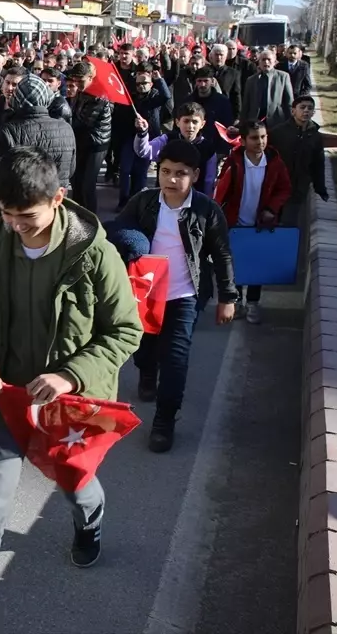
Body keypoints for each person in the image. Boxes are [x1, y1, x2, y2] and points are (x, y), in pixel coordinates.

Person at [0, 147, 142, 632]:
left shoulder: (94, 252)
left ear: (58, 199)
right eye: (6, 213)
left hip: (65, 406)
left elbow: (126, 330)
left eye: (27, 216)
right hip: (8, 397)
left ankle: (91, 516)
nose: (16, 225)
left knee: (74, 485)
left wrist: (70, 375)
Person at [115, 139, 237, 451]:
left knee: (176, 359)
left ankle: (164, 421)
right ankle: (146, 372)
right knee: (144, 350)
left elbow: (222, 255)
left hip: (185, 295)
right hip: (145, 296)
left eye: (180, 173)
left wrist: (228, 298)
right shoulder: (143, 202)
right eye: (166, 171)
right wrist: (131, 244)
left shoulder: (206, 211)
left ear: (195, 175)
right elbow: (118, 230)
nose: (171, 179)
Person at [213, 120, 292, 325]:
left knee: (257, 266)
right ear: (244, 140)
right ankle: (237, 302)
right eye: (255, 138)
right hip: (235, 223)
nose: (260, 142)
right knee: (236, 266)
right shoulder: (235, 162)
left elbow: (284, 189)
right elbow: (222, 190)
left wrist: (271, 209)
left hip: (261, 224)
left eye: (263, 137)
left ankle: (253, 304)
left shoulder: (274, 162)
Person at [117, 63, 173, 209]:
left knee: (140, 173)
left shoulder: (154, 97)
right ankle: (123, 200)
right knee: (125, 170)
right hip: (130, 138)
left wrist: (160, 79)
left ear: (151, 84)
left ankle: (136, 202)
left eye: (145, 83)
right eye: (138, 83)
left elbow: (166, 96)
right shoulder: (131, 98)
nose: (141, 86)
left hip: (149, 139)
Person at [269, 96, 327, 226]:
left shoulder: (315, 137)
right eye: (302, 107)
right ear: (293, 111)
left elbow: (318, 164)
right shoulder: (278, 132)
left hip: (298, 187)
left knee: (289, 222)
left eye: (310, 108)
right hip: (276, 186)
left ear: (313, 112)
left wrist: (320, 188)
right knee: (271, 220)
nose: (306, 111)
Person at [67, 62, 111, 214]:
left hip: (96, 143)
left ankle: (92, 219)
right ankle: (78, 215)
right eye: (75, 80)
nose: (77, 84)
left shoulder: (100, 94)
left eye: (81, 80)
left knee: (88, 184)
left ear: (91, 77)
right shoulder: (81, 91)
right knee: (76, 181)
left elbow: (84, 121)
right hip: (81, 140)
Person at [241, 49, 294, 128]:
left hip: (277, 120)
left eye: (269, 59)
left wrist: (291, 122)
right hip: (256, 121)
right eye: (263, 60)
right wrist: (242, 124)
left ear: (275, 62)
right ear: (259, 62)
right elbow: (246, 104)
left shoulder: (283, 77)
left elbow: (289, 102)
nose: (266, 62)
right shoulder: (251, 80)